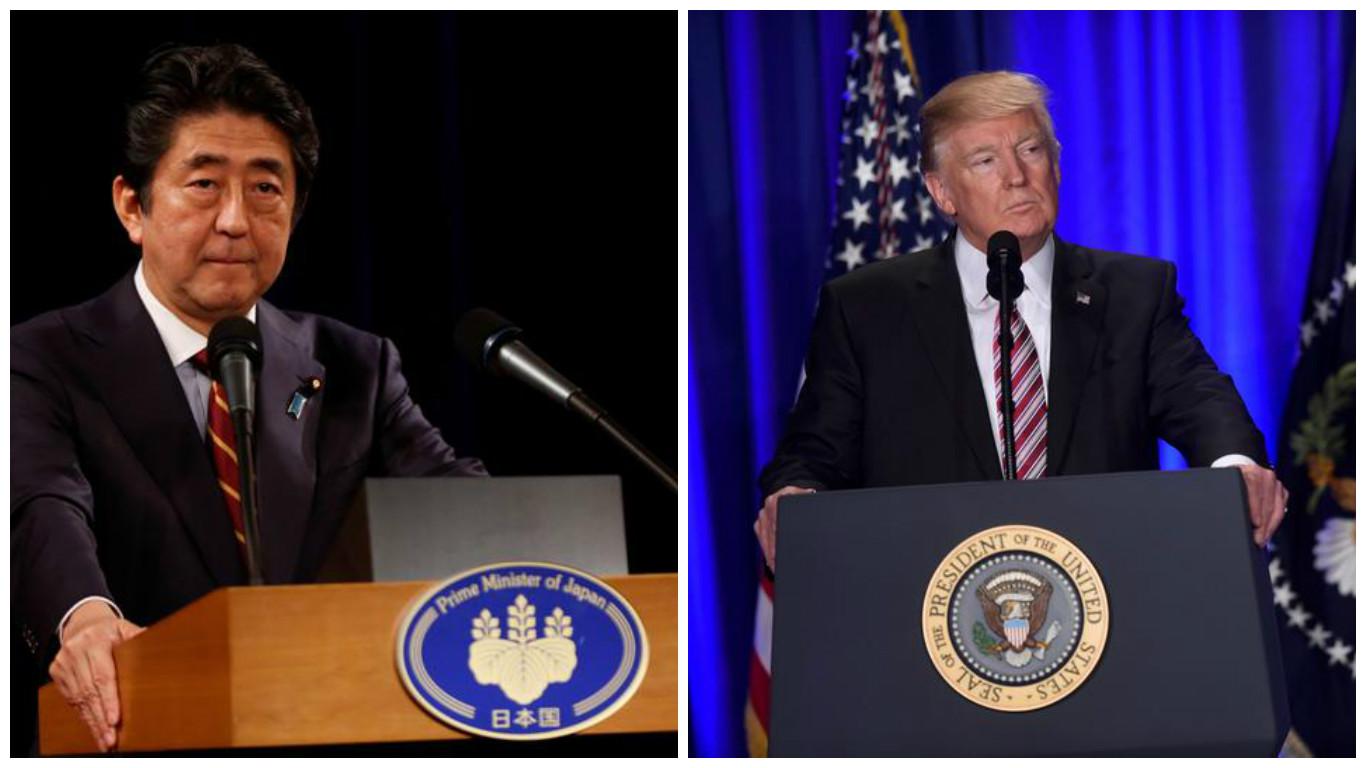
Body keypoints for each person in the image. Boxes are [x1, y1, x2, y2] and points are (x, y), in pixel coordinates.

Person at [11, 43, 486, 753]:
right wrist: (84, 616)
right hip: (135, 734)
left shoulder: (353, 365)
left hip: (326, 730)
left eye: (266, 188)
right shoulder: (42, 357)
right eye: (204, 184)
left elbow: (452, 506)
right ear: (132, 206)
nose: (236, 220)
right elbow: (42, 503)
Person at [754, 71, 1287, 571]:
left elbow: (1201, 400)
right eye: (985, 161)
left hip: (1108, 596)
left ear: (1056, 165)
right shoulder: (867, 308)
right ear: (941, 192)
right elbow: (813, 452)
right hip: (927, 608)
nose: (1017, 177)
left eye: (1031, 150)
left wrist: (1235, 466)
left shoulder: (1132, 293)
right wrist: (795, 496)